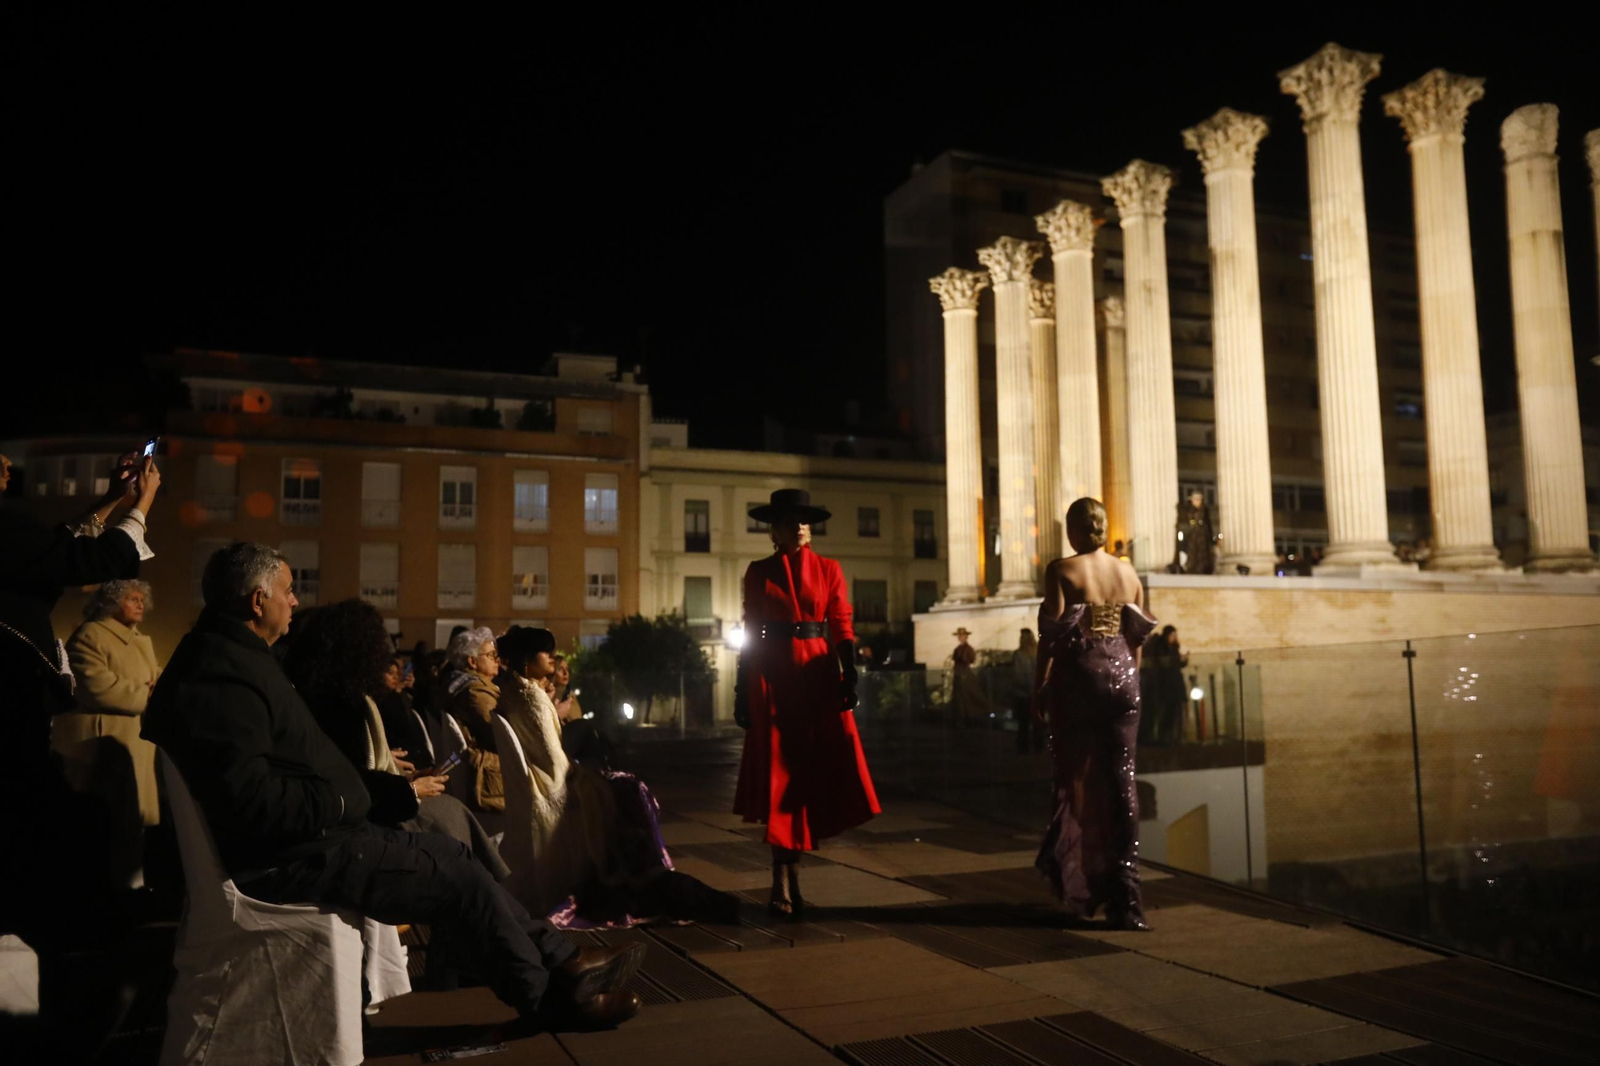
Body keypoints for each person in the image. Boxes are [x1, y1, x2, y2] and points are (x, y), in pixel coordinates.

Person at [142, 543, 644, 1027]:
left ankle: (563, 962)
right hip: (293, 857)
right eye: (288, 590)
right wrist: (342, 799)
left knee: (454, 858)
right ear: (257, 600)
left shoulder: (232, 659)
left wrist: (353, 796)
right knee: (456, 880)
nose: (295, 600)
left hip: (316, 840)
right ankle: (550, 1000)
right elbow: (251, 798)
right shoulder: (223, 676)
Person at [496, 626, 735, 926]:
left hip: (541, 779)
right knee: (628, 788)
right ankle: (635, 872)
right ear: (527, 660)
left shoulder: (516, 691)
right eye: (548, 654)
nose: (555, 659)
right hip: (554, 784)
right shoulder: (532, 697)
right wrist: (581, 773)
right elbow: (553, 756)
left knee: (612, 771)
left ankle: (634, 869)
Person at [732, 489, 879, 917]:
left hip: (816, 676)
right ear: (774, 531)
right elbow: (750, 630)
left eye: (804, 519)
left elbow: (841, 623)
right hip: (773, 678)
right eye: (789, 519)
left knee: (809, 777)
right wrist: (743, 689)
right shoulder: (758, 572)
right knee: (781, 775)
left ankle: (790, 878)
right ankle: (782, 879)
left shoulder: (830, 569)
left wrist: (848, 673)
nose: (799, 525)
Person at [1032, 497, 1157, 931]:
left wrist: (1038, 687)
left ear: (1076, 529)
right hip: (1125, 681)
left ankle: (1081, 878)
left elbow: (1051, 636)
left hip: (1080, 679)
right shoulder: (1129, 573)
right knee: (1122, 780)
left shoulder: (1061, 570)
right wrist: (1129, 684)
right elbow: (1136, 641)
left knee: (1076, 777)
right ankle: (1127, 895)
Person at [53, 579, 162, 886]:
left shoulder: (139, 640)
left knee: (131, 831)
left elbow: (156, 680)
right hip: (99, 751)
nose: (141, 604)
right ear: (112, 602)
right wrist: (147, 695)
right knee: (104, 831)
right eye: (132, 598)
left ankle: (128, 897)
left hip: (131, 748)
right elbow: (98, 688)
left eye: (142, 598)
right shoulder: (91, 635)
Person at [444, 626, 506, 815]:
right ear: (472, 661)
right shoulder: (475, 693)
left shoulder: (466, 687)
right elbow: (502, 737)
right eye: (490, 655)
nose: (497, 659)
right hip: (492, 779)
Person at [949, 627, 990, 725]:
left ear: (966, 636)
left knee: (969, 696)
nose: (960, 637)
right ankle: (961, 719)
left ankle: (970, 717)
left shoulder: (968, 648)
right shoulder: (957, 649)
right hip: (958, 675)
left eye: (962, 635)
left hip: (965, 675)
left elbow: (971, 659)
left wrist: (963, 661)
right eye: (959, 635)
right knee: (959, 698)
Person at [1011, 628, 1040, 752]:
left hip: (1024, 693)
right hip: (1033, 692)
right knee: (1035, 721)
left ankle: (1024, 747)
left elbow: (1018, 674)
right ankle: (1037, 746)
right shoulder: (1036, 652)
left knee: (1024, 722)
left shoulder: (1019, 654)